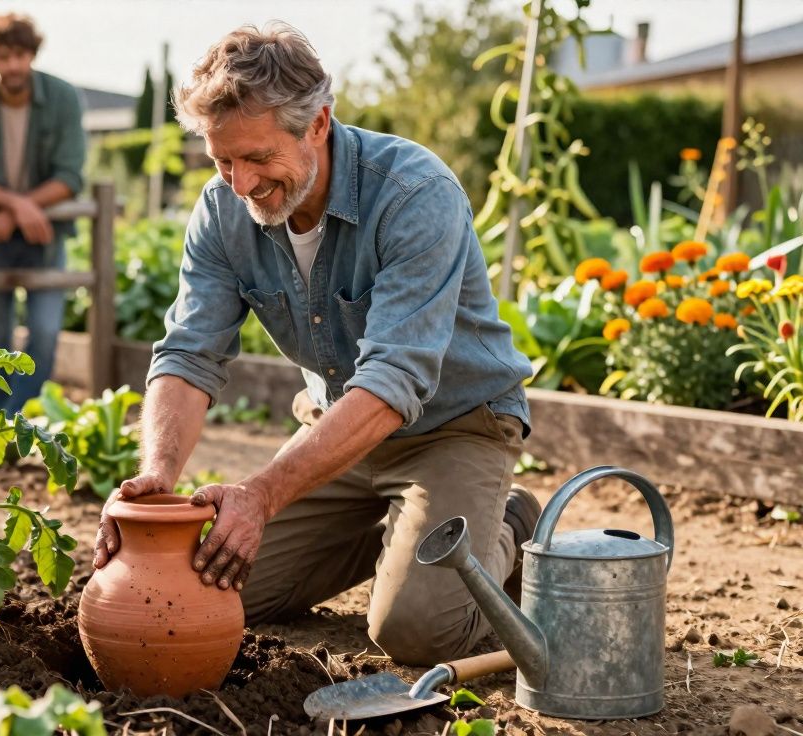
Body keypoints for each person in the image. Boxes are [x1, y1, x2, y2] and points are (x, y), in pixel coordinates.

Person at [93, 23, 542, 666]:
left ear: (319, 124)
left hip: (454, 427)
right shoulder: (223, 211)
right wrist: (158, 478)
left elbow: (394, 381)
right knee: (200, 586)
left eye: (257, 158)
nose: (240, 183)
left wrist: (264, 494)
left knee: (416, 631)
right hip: (337, 433)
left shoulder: (414, 194)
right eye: (222, 161)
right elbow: (190, 353)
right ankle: (397, 533)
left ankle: (511, 527)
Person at [0, 13, 87, 413]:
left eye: (21, 55)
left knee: (44, 330)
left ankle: (16, 416)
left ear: (32, 55)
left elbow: (70, 174)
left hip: (46, 234)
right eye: (3, 57)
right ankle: (3, 418)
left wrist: (24, 209)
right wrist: (15, 207)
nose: (12, 66)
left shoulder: (62, 96)